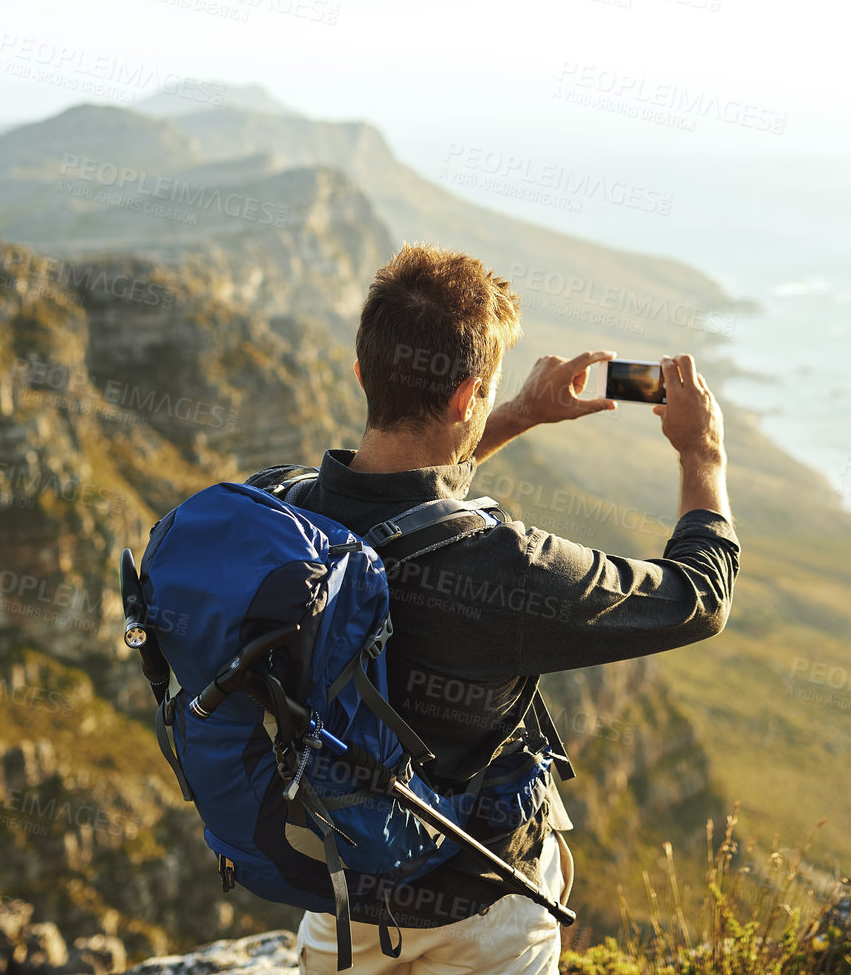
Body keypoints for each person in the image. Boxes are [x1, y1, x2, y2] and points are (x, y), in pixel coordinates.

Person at [279, 243, 738, 975]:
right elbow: (698, 597)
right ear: (467, 398)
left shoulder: (285, 510)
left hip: (342, 898)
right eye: (485, 395)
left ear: (364, 372)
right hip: (481, 913)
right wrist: (702, 454)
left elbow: (401, 496)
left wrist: (519, 412)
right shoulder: (505, 569)